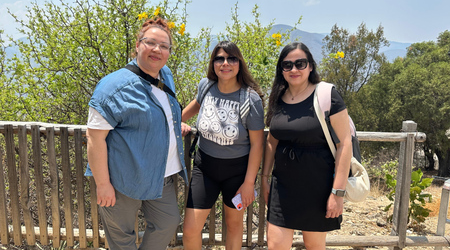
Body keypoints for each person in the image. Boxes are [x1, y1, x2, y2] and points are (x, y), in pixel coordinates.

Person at [85, 17, 188, 250]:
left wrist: (173, 126)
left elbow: (161, 110)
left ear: (169, 52)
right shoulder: (112, 87)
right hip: (123, 179)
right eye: (150, 42)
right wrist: (103, 184)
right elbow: (94, 137)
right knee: (122, 236)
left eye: (164, 46)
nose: (157, 50)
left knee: (167, 222)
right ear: (138, 45)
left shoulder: (165, 75)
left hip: (162, 177)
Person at [261, 42, 352, 250]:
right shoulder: (278, 98)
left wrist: (337, 193)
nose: (294, 69)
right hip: (282, 186)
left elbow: (344, 143)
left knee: (314, 246)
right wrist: (264, 178)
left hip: (318, 186)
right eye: (287, 65)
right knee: (275, 246)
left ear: (310, 66)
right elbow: (271, 141)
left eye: (300, 63)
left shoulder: (327, 95)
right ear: (281, 70)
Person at [181, 41, 265, 250]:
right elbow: (194, 107)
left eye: (231, 58)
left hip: (237, 173)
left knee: (234, 226)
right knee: (190, 230)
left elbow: (257, 145)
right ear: (213, 63)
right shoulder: (206, 86)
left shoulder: (250, 99)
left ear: (239, 63)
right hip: (204, 168)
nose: (225, 63)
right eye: (219, 58)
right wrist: (179, 122)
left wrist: (248, 183)